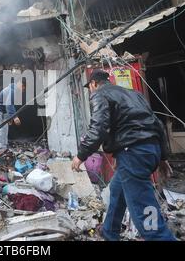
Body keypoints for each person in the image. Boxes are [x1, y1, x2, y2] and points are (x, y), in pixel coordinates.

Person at [71, 69, 176, 241]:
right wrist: (163, 157)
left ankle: (161, 237)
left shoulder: (99, 94)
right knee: (116, 189)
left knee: (144, 209)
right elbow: (157, 124)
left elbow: (98, 128)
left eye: (89, 87)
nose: (90, 90)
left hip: (133, 153)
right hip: (150, 150)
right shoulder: (134, 94)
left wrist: (81, 156)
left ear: (94, 84)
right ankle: (109, 232)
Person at [0, 79, 26, 156]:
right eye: (23, 88)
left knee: (5, 127)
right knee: (0, 128)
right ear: (21, 84)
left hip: (2, 109)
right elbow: (9, 105)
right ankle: (0, 148)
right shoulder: (12, 90)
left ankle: (4, 146)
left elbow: (7, 104)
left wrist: (10, 117)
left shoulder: (13, 89)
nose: (22, 91)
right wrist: (15, 117)